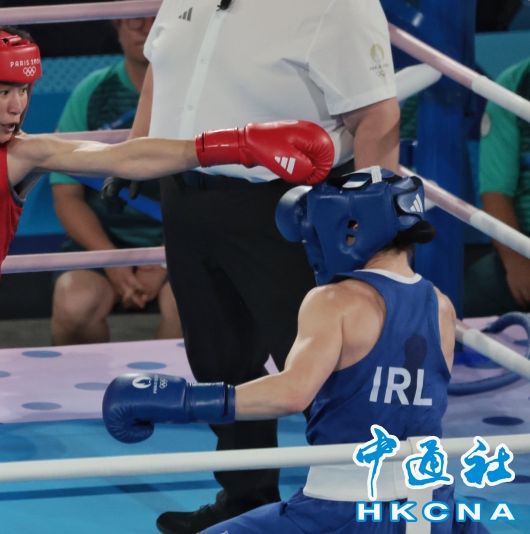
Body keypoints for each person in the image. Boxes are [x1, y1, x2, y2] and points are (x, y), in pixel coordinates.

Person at [0, 25, 335, 534]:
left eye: (24, 91)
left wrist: (233, 146)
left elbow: (121, 157)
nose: (18, 107)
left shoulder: (20, 155)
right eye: (3, 91)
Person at [103, 1, 402, 531]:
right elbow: (162, 70)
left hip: (289, 205)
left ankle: (361, 506)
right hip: (186, 196)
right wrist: (135, 149)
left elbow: (376, 114)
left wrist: (372, 222)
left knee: (321, 365)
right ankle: (245, 499)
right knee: (218, 358)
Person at [103, 168, 487, 534]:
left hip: (341, 510)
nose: (311, 242)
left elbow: (292, 393)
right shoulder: (441, 307)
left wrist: (184, 402)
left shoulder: (334, 300)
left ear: (352, 228)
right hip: (431, 510)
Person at [49, 8, 181, 345]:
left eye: (155, 17)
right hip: (102, 243)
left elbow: (217, 194)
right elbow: (66, 195)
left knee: (192, 309)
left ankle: (162, 383)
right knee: (74, 304)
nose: (146, 29)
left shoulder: (194, 97)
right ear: (117, 24)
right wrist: (110, 259)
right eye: (135, 18)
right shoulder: (92, 92)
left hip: (183, 244)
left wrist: (164, 261)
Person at [465, 56, 530, 317]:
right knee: (458, 308)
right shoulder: (511, 86)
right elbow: (495, 193)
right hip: (524, 245)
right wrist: (516, 262)